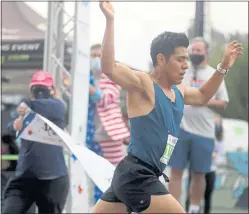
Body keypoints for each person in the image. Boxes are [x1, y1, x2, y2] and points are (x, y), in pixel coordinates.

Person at [91, 2, 243, 213]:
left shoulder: (178, 90)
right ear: (161, 59)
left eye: (187, 59)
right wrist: (110, 20)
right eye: (180, 59)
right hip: (137, 175)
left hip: (139, 175)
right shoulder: (143, 84)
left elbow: (202, 95)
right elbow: (109, 67)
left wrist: (223, 67)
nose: (186, 65)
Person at [168, 37, 229, 213]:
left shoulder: (214, 74)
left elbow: (223, 103)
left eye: (198, 50)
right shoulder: (182, 71)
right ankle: (173, 208)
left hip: (204, 132)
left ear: (206, 52)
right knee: (176, 171)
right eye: (192, 50)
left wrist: (201, 99)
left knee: (199, 173)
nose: (194, 53)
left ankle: (194, 208)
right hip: (180, 129)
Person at [2, 71, 69, 214]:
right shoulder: (26, 109)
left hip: (53, 179)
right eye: (36, 89)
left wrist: (25, 108)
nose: (39, 92)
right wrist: (16, 124)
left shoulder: (57, 106)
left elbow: (47, 106)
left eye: (42, 88)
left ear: (52, 91)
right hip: (26, 176)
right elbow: (11, 130)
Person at [88, 43, 130, 203]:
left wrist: (91, 90)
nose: (96, 59)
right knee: (95, 174)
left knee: (114, 173)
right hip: (91, 133)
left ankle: (120, 205)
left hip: (109, 134)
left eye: (99, 55)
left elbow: (107, 98)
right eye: (93, 56)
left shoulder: (113, 76)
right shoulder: (87, 77)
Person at [185, 115, 226, 214]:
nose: (216, 125)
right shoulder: (199, 135)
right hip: (196, 169)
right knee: (192, 195)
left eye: (218, 123)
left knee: (207, 196)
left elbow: (221, 157)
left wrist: (214, 156)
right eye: (214, 122)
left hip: (210, 170)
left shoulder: (219, 141)